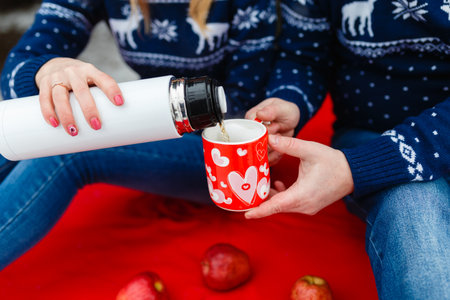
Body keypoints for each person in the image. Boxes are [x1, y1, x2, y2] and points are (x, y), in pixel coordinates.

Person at [0, 0, 276, 269]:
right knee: (13, 133)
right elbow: (21, 64)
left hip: (226, 156)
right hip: (157, 113)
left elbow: (248, 95)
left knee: (72, 145)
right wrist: (45, 70)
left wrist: (285, 107)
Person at [244, 0, 449, 299]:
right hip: (367, 138)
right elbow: (304, 56)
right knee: (412, 202)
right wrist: (291, 100)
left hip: (380, 152)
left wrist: (356, 169)